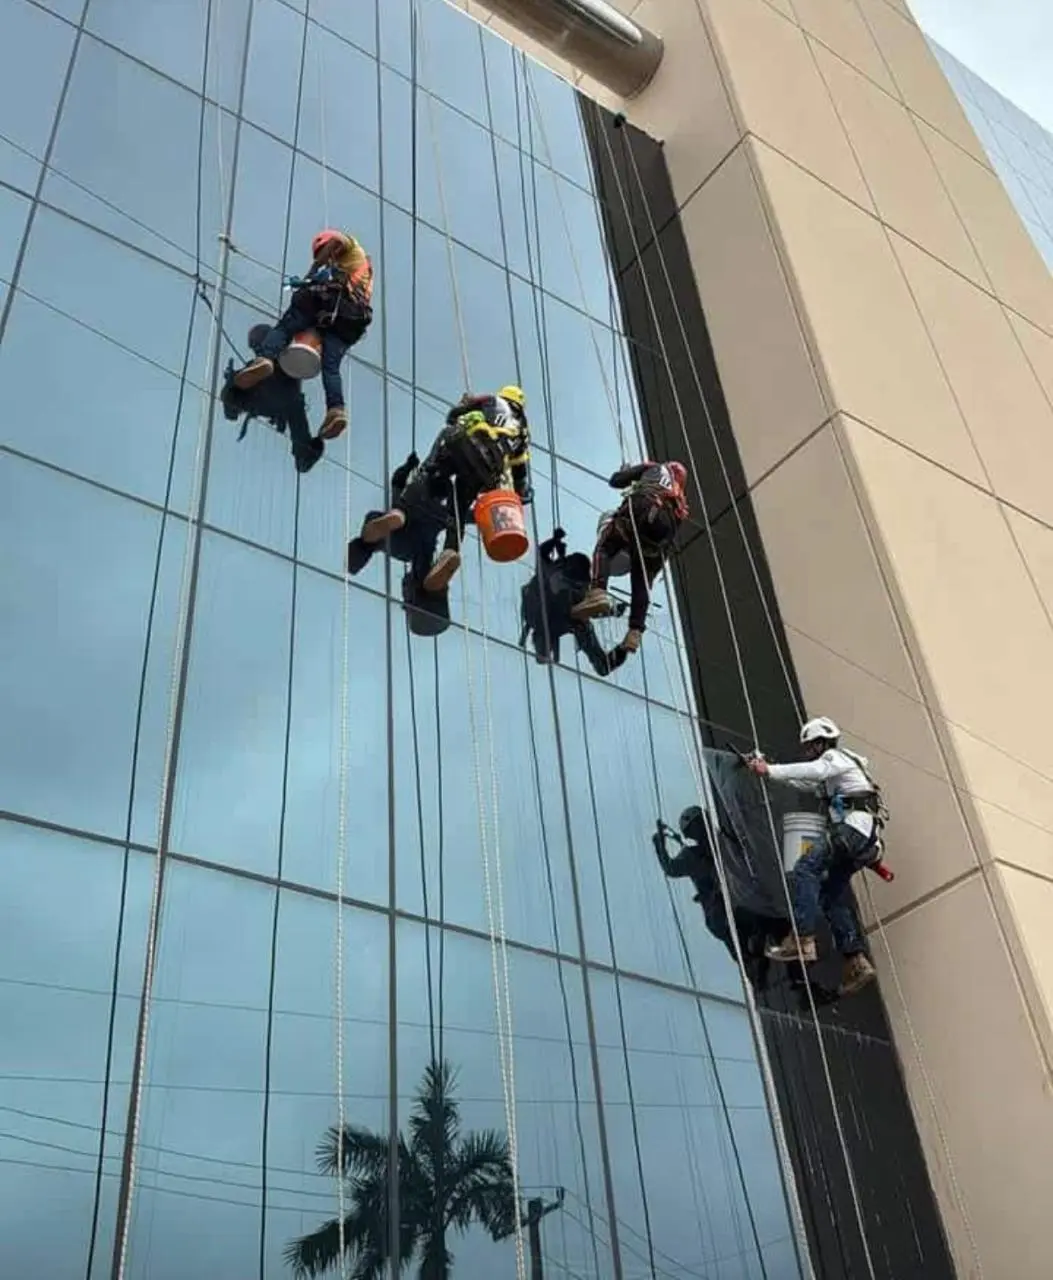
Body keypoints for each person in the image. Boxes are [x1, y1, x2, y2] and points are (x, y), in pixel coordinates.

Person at [748, 717, 885, 997]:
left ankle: (801, 938)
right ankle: (855, 959)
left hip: (853, 831)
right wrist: (768, 770)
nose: (808, 751)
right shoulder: (835, 774)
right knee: (830, 895)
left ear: (822, 743)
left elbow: (813, 770)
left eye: (811, 746)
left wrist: (769, 769)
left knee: (805, 868)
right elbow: (805, 782)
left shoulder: (835, 757)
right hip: (862, 840)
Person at [358, 386, 532, 595]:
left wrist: (464, 403)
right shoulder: (522, 434)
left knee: (429, 475)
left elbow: (452, 417)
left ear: (505, 395)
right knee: (458, 508)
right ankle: (450, 550)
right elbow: (520, 472)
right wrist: (521, 495)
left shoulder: (492, 401)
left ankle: (399, 513)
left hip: (462, 443)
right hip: (486, 469)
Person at [231, 229, 373, 441]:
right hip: (352, 320)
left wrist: (312, 273)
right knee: (331, 367)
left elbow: (336, 242)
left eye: (321, 252)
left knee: (287, 326)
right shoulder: (362, 272)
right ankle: (336, 410)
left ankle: (265, 358)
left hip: (330, 303)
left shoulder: (352, 248)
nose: (323, 259)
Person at [653, 807, 788, 992]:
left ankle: (765, 964)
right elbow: (671, 869)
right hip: (728, 912)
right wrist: (659, 844)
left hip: (725, 914)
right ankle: (769, 966)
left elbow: (671, 868)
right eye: (701, 824)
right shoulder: (705, 850)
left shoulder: (714, 847)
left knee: (760, 937)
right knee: (767, 928)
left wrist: (659, 844)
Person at [572, 459, 689, 653]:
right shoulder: (680, 503)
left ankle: (598, 591)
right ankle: (635, 632)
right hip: (662, 538)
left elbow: (616, 481)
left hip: (644, 507)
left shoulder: (654, 468)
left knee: (606, 546)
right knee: (642, 579)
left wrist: (627, 472)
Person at [519, 528, 631, 677]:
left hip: (564, 604)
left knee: (578, 614)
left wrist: (554, 540)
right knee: (579, 617)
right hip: (565, 607)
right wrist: (624, 645)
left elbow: (542, 554)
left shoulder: (539, 605)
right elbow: (603, 667)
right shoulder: (564, 619)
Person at [221, 324, 323, 474]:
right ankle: (303, 454)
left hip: (264, 398)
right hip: (280, 403)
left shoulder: (279, 358)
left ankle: (235, 391)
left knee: (232, 392)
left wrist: (233, 379)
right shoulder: (288, 359)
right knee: (296, 410)